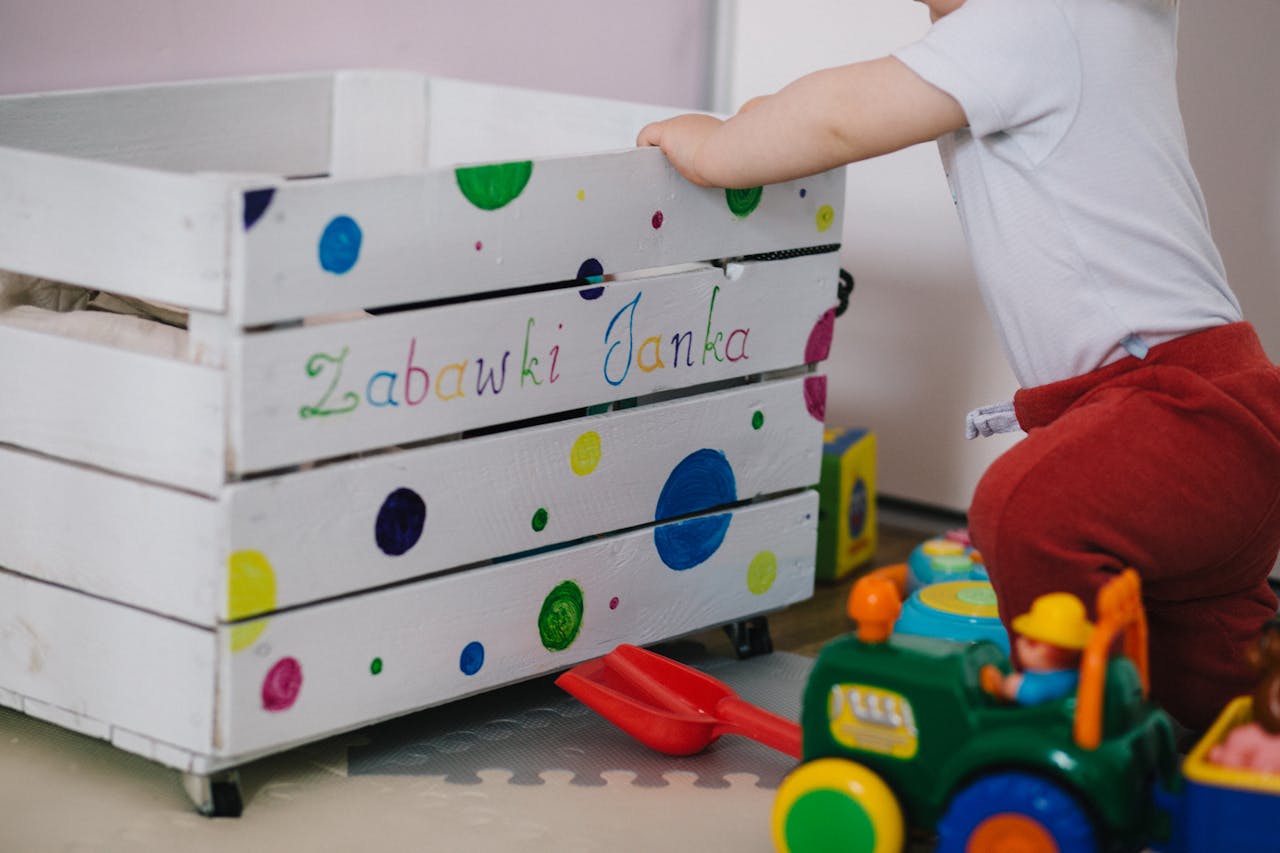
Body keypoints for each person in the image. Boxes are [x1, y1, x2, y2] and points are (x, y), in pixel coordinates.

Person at [637, 0, 1280, 733]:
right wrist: (764, 122)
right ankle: (1233, 769)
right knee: (1207, 675)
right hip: (1221, 416)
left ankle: (1058, 737)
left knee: (1023, 511)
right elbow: (837, 107)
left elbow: (840, 116)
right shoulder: (1080, 28)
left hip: (1173, 404)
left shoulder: (1036, 19)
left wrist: (721, 146)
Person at [979, 593, 1092, 705]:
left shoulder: (1028, 687)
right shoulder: (1079, 677)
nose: (1019, 643)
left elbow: (1010, 691)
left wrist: (1002, 685)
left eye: (1031, 642)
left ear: (1054, 653)